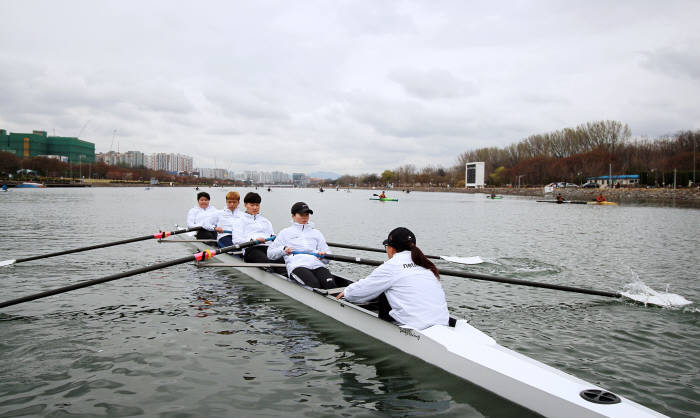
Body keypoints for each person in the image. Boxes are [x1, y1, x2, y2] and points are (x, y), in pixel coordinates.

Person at [336, 227, 449, 330]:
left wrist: (347, 293)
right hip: (443, 322)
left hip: (417, 328)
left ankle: (382, 329)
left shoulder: (391, 266)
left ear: (391, 249)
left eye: (387, 247)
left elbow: (361, 291)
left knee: (383, 290)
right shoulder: (425, 264)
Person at [267, 202, 337, 289]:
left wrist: (324, 256)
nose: (305, 217)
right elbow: (270, 254)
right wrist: (283, 249)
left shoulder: (316, 233)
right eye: (301, 214)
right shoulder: (285, 233)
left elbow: (327, 256)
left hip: (317, 265)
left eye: (307, 214)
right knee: (313, 285)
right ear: (293, 216)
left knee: (331, 285)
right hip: (297, 266)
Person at [234, 192, 279, 263]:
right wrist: (253, 240)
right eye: (252, 205)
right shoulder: (239, 221)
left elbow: (272, 236)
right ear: (245, 205)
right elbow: (236, 241)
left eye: (257, 205)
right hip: (251, 249)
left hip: (267, 248)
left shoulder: (266, 221)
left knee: (282, 261)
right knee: (266, 262)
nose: (255, 208)